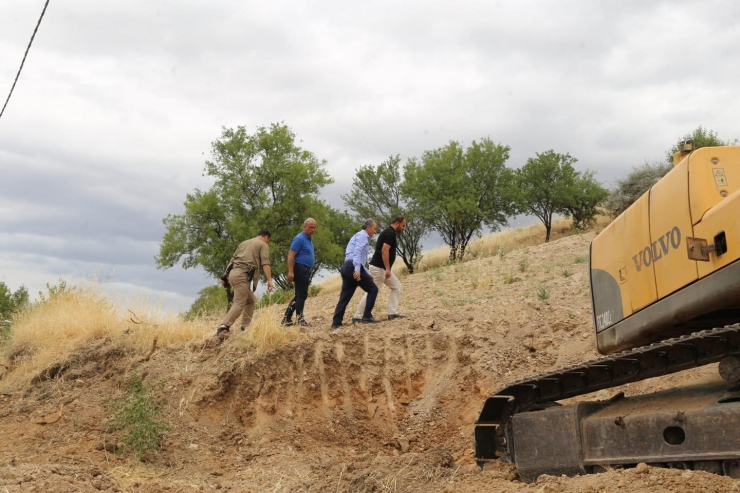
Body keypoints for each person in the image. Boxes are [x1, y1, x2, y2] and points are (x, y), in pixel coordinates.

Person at [216, 230, 274, 336]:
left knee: (250, 300)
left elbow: (232, 260)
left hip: (233, 273)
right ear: (267, 238)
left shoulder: (244, 243)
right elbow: (265, 263)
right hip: (242, 276)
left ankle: (244, 327)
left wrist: (225, 276)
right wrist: (269, 280)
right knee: (239, 302)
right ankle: (224, 327)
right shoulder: (263, 245)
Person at [353, 215, 407, 321]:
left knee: (396, 286)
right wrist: (388, 268)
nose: (404, 228)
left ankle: (392, 313)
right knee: (372, 290)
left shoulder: (390, 232)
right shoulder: (390, 233)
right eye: (403, 225)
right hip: (379, 268)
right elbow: (384, 250)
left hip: (381, 268)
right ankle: (358, 316)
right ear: (397, 223)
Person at [331, 219, 382, 329]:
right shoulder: (362, 236)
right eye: (374, 229)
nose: (375, 231)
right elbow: (357, 253)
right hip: (353, 267)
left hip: (347, 267)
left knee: (344, 297)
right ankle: (367, 316)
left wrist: (367, 273)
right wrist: (357, 269)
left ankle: (336, 323)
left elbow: (355, 255)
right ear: (368, 228)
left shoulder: (358, 235)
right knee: (373, 289)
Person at [282, 218, 317, 327]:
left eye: (314, 227)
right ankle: (300, 319)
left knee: (298, 295)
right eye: (310, 227)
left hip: (305, 269)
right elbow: (291, 255)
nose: (312, 229)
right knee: (302, 295)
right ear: (304, 227)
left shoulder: (308, 239)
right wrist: (291, 272)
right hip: (300, 269)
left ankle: (286, 319)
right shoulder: (299, 238)